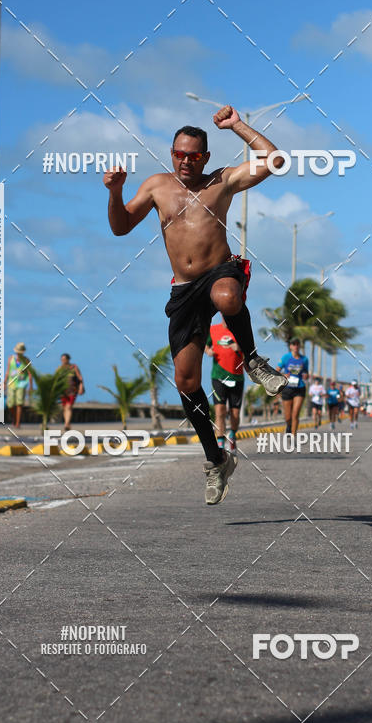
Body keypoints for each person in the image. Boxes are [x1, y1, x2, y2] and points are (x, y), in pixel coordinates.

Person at [104, 104, 288, 506]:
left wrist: (237, 125)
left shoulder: (220, 182)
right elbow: (120, 227)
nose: (186, 161)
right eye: (179, 154)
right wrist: (115, 192)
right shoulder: (156, 186)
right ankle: (216, 460)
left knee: (227, 296)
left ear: (205, 157)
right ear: (172, 154)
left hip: (219, 271)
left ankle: (254, 361)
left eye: (194, 155)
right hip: (184, 289)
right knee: (187, 383)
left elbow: (274, 160)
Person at [205, 318, 244, 453]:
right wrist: (207, 351)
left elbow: (251, 350)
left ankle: (232, 436)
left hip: (237, 377)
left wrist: (239, 348)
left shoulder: (240, 329)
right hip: (218, 377)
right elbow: (205, 345)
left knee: (235, 413)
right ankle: (220, 444)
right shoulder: (213, 329)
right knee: (220, 411)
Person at [278, 338, 309, 435]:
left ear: (299, 346)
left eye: (297, 344)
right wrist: (283, 375)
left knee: (295, 414)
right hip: (287, 388)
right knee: (288, 416)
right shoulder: (285, 358)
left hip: (300, 388)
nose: (295, 346)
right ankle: (289, 425)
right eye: (293, 344)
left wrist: (306, 375)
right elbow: (276, 371)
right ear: (290, 346)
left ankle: (293, 436)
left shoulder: (304, 359)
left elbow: (306, 372)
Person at [4, 343, 33, 430]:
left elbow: (30, 374)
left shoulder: (26, 360)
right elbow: (8, 371)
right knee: (10, 404)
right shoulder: (11, 359)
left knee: (19, 403)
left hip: (22, 383)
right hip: (12, 383)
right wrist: (4, 382)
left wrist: (31, 386)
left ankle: (17, 422)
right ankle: (14, 418)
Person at [58, 353, 84, 431]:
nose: (63, 361)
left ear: (68, 359)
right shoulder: (60, 369)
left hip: (73, 391)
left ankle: (66, 424)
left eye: (65, 359)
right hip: (63, 391)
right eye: (62, 359)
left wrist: (81, 387)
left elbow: (80, 378)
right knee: (65, 407)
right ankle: (67, 423)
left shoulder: (74, 367)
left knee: (69, 406)